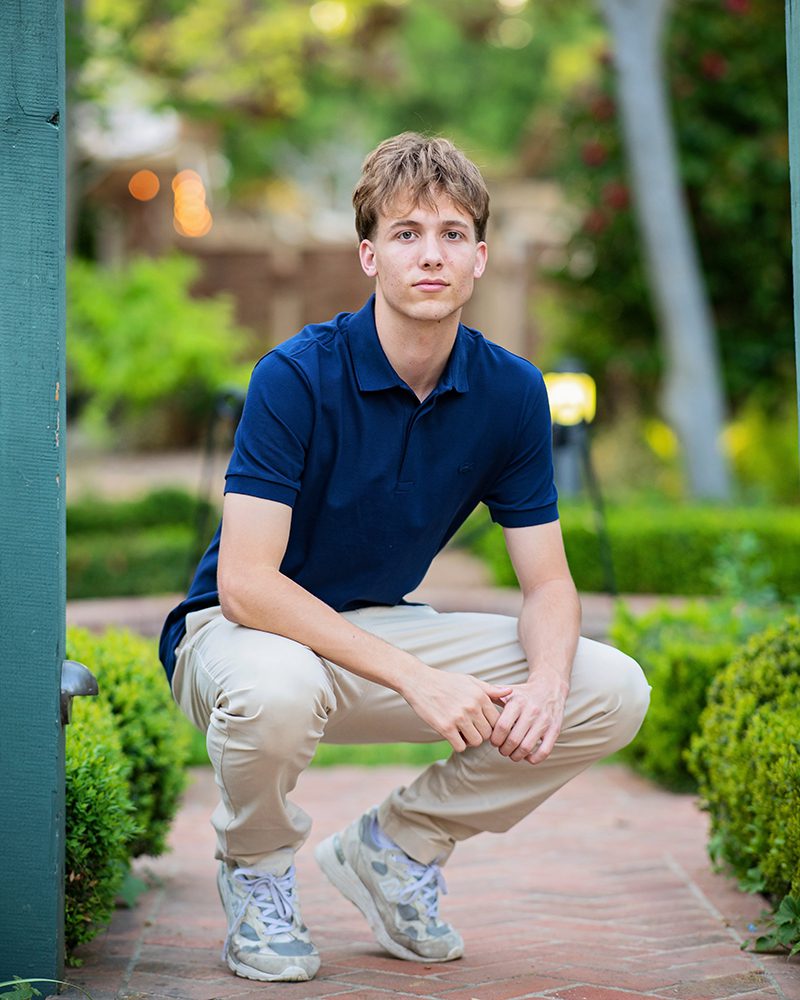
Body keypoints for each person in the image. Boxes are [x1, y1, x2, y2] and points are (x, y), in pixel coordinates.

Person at [159, 132, 650, 984]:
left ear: (481, 258)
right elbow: (244, 584)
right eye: (407, 233)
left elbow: (549, 582)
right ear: (368, 255)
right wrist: (418, 678)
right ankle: (258, 871)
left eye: (453, 234)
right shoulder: (295, 376)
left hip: (370, 635)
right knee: (280, 684)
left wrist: (545, 686)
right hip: (234, 641)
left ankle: (395, 848)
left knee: (606, 689)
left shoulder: (510, 392)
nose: (432, 255)